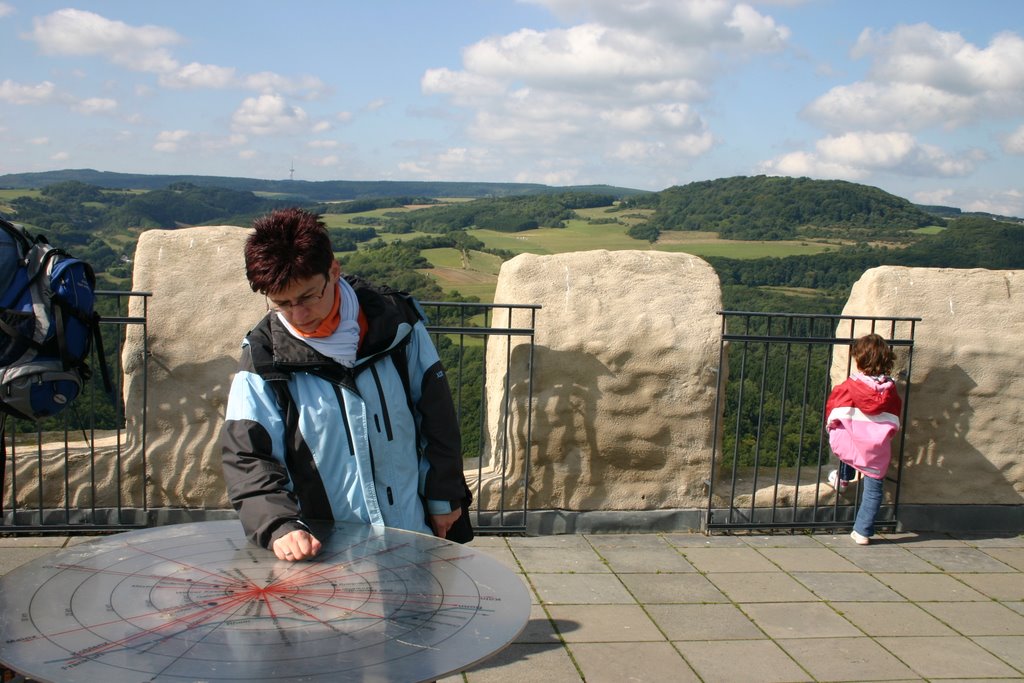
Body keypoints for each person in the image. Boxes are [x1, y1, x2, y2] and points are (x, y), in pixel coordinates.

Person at [221, 207, 470, 561]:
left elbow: (436, 415)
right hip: (329, 550)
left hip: (410, 531)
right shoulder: (264, 357)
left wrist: (444, 496)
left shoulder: (397, 325)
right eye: (282, 304)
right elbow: (248, 455)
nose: (298, 316)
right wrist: (278, 524)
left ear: (333, 271)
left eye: (308, 297)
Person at [824, 333, 902, 545]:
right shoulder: (890, 390)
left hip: (851, 442)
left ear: (859, 360)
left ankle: (842, 478)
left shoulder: (852, 385)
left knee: (845, 438)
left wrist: (832, 424)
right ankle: (862, 531)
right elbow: (895, 414)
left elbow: (835, 406)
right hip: (876, 447)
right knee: (874, 488)